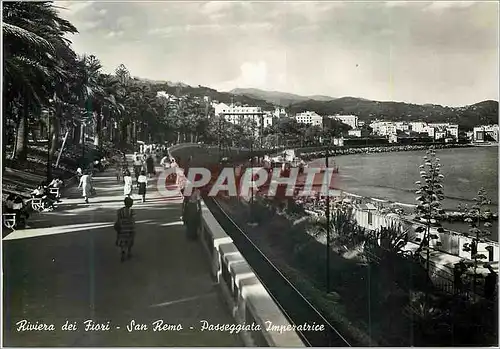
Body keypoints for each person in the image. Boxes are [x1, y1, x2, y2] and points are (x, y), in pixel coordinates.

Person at [115, 197, 136, 262]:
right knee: (130, 240)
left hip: (122, 228)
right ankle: (129, 252)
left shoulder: (120, 211)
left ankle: (123, 251)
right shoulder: (132, 212)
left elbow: (118, 220)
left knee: (122, 240)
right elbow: (133, 221)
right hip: (129, 228)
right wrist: (133, 228)